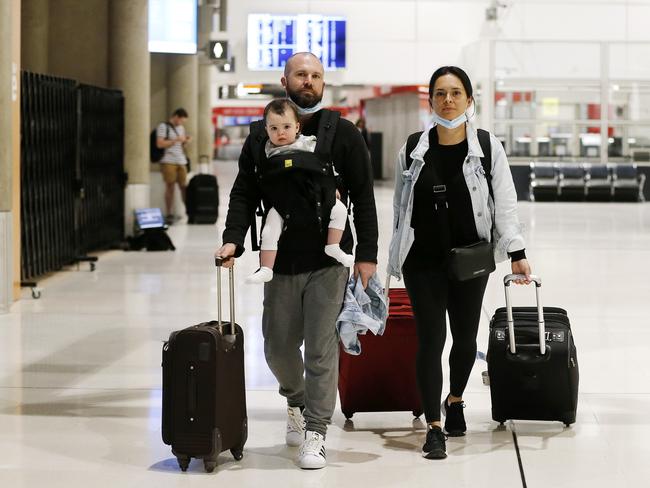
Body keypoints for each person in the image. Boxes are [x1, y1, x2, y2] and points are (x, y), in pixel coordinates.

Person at [215, 52, 378, 470]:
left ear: (325, 83)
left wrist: (368, 254)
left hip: (329, 261)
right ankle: (298, 401)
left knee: (321, 349)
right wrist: (233, 240)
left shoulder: (343, 132)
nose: (309, 81)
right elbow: (243, 194)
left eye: (316, 75)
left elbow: (363, 194)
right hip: (281, 260)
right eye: (301, 74)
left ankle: (317, 431)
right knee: (278, 347)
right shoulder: (259, 136)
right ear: (284, 80)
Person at [387, 66, 532, 460]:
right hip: (423, 261)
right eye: (439, 93)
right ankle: (434, 427)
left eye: (455, 93)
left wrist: (516, 253)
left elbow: (504, 201)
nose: (447, 100)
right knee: (431, 340)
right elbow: (401, 207)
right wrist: (392, 259)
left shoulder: (487, 145)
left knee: (465, 339)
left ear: (470, 100)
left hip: (471, 258)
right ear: (431, 100)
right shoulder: (413, 146)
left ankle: (455, 399)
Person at [246, 98, 354, 284]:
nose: (280, 133)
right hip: (283, 203)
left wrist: (332, 187)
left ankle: (333, 245)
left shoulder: (309, 144)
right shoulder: (265, 150)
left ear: (297, 127)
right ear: (266, 130)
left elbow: (327, 167)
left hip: (315, 197)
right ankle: (266, 267)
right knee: (269, 230)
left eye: (286, 127)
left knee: (340, 210)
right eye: (274, 128)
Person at [156, 108, 192, 224]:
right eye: (181, 120)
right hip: (168, 160)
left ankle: (189, 211)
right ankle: (169, 213)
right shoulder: (163, 127)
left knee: (184, 186)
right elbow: (160, 143)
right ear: (176, 116)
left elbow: (181, 145)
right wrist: (176, 140)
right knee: (170, 186)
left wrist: (185, 141)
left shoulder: (181, 128)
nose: (181, 123)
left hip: (181, 160)